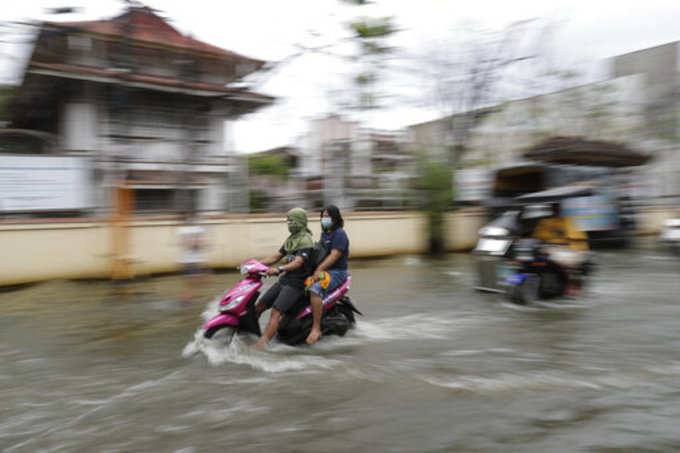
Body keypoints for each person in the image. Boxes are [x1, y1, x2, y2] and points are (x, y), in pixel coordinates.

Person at [252, 207, 314, 350]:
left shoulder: (306, 241)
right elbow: (276, 256)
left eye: (292, 221)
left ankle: (262, 344)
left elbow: (298, 262)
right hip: (285, 280)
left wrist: (279, 269)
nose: (289, 224)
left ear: (300, 221)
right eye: (288, 221)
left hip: (297, 283)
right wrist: (255, 264)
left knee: (275, 312)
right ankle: (250, 333)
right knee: (259, 306)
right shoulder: (292, 239)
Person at [306, 205, 350, 345]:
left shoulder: (339, 234)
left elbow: (334, 255)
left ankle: (316, 328)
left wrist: (319, 269)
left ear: (335, 218)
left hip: (337, 272)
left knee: (315, 289)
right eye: (323, 217)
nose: (324, 219)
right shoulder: (325, 233)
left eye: (327, 217)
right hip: (325, 270)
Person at [531, 202, 589, 295]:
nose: (555, 210)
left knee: (565, 261)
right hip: (549, 248)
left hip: (568, 249)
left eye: (557, 208)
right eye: (553, 208)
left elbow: (576, 238)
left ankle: (571, 283)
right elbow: (536, 236)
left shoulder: (569, 221)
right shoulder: (545, 222)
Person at [176, 214, 207, 303]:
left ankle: (187, 297)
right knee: (195, 281)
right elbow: (193, 244)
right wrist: (195, 244)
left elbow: (183, 244)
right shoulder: (192, 231)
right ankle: (185, 298)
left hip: (190, 261)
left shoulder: (184, 230)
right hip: (191, 261)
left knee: (196, 281)